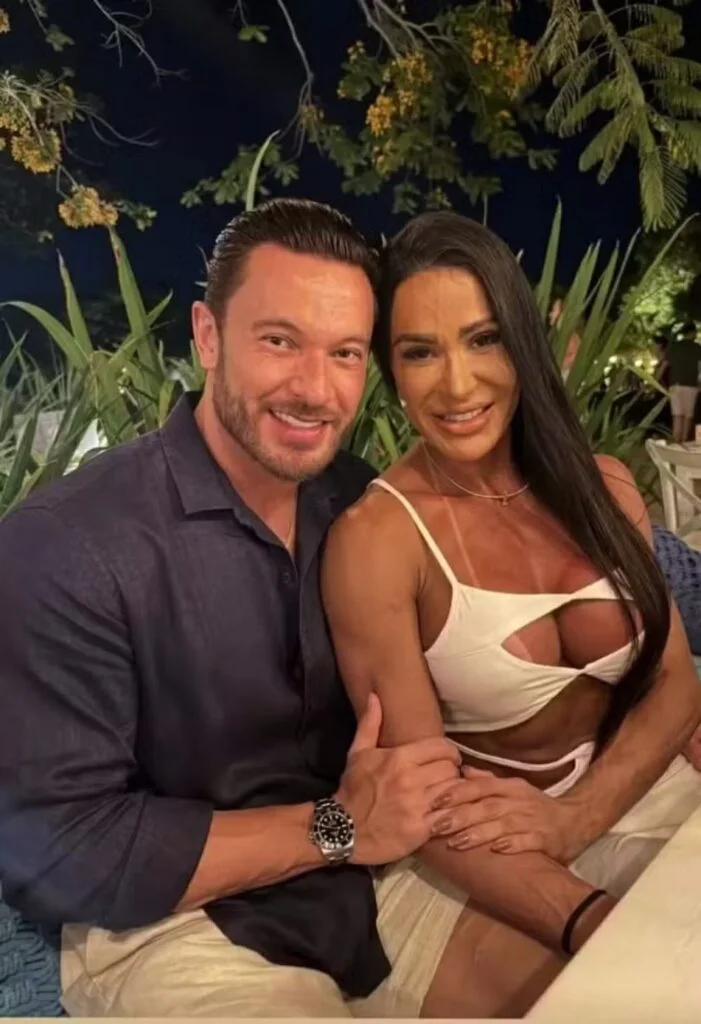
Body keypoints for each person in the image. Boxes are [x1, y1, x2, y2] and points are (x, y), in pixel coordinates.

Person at [0, 199, 615, 1020]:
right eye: (279, 341)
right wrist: (334, 827)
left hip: (371, 882)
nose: (315, 390)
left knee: (619, 989)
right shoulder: (69, 544)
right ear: (208, 336)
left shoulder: (356, 501)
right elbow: (59, 851)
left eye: (345, 353)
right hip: (171, 925)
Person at [322, 211, 701, 1016]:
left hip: (625, 794)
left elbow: (674, 685)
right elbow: (417, 794)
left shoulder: (604, 487)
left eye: (483, 339)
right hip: (476, 853)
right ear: (391, 371)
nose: (457, 385)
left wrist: (576, 820)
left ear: (522, 343)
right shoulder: (377, 539)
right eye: (420, 352)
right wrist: (589, 912)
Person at [666, 322, 700, 443]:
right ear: (692, 333)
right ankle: (684, 440)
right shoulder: (697, 348)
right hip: (690, 385)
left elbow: (665, 364)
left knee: (677, 415)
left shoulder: (674, 347)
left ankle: (676, 440)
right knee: (687, 415)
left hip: (675, 384)